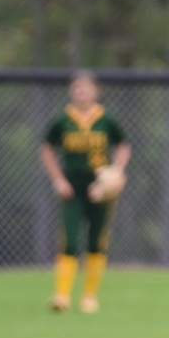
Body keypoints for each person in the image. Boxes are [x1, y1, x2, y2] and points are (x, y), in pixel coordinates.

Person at [40, 69, 131, 313]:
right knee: (69, 240)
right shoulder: (63, 120)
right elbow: (47, 149)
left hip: (100, 190)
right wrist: (58, 179)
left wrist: (117, 171)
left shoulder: (106, 119)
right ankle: (61, 295)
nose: (82, 92)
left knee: (96, 241)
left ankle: (89, 297)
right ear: (71, 91)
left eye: (87, 88)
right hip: (73, 189)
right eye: (78, 88)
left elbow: (123, 145)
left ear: (96, 91)